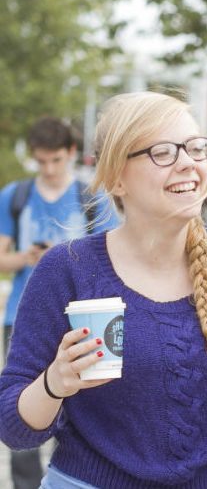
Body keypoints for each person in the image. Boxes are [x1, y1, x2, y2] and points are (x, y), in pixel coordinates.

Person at [0, 91, 207, 488]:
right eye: (163, 152)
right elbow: (13, 426)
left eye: (196, 148)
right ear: (116, 176)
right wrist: (55, 382)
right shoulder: (67, 269)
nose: (188, 163)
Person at [0, 117, 119, 489]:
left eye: (56, 160)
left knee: (83, 411)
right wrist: (30, 258)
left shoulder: (92, 198)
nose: (49, 169)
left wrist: (65, 257)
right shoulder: (15, 196)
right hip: (22, 316)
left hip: (83, 319)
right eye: (41, 161)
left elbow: (113, 260)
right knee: (24, 408)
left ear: (70, 154)